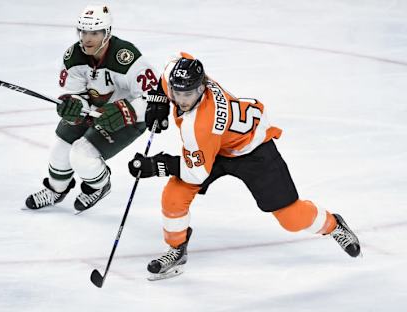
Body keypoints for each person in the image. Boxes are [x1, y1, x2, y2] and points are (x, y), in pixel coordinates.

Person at [128, 52, 361, 280]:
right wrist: (158, 100)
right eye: (176, 94)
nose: (181, 101)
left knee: (291, 218)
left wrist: (156, 165)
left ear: (201, 88)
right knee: (174, 196)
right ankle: (177, 250)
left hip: (252, 149)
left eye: (187, 94)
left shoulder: (200, 125)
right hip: (217, 145)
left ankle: (334, 225)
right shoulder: (178, 76)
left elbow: (196, 173)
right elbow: (167, 75)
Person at [25, 5, 160, 212]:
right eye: (83, 32)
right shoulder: (74, 57)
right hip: (95, 111)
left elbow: (155, 97)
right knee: (60, 150)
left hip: (129, 117)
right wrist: (74, 106)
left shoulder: (126, 57)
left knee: (81, 155)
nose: (87, 39)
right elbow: (75, 93)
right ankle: (56, 190)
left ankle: (98, 186)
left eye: (94, 33)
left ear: (106, 33)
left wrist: (127, 112)